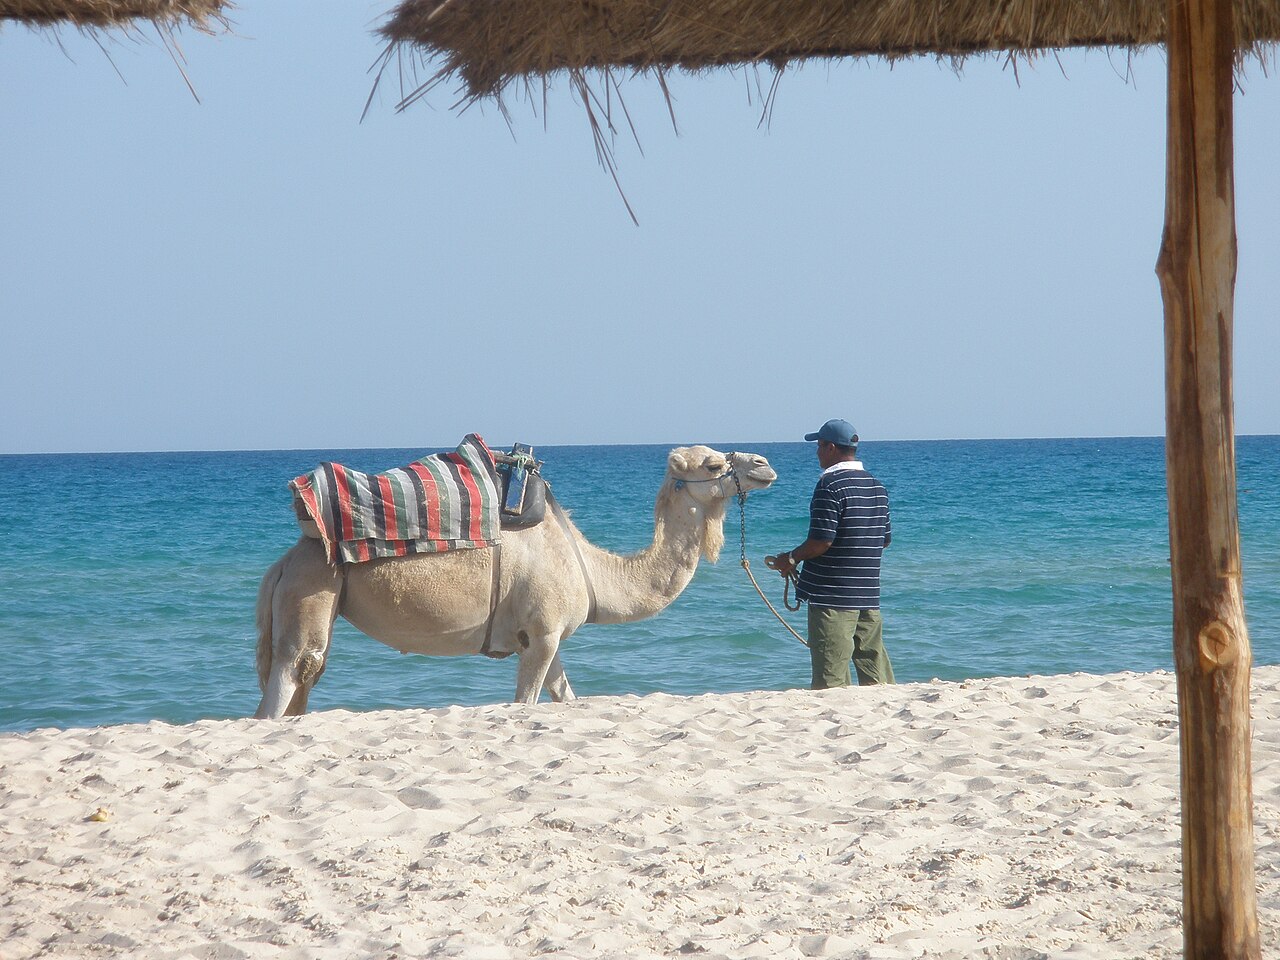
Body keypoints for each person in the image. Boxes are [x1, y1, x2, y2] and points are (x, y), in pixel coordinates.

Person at [773, 418, 894, 687]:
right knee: (877, 679)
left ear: (830, 448)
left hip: (832, 598)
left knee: (831, 682)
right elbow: (883, 540)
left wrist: (790, 559)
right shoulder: (877, 487)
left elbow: (821, 541)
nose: (816, 452)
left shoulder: (830, 486)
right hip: (868, 596)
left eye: (819, 446)